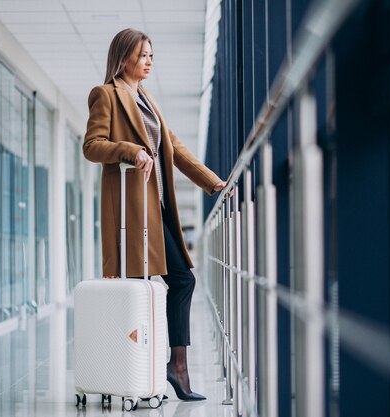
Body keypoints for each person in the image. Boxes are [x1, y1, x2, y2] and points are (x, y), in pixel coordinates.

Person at [83, 28, 227, 401]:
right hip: (130, 213)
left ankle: (169, 368)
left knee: (177, 282)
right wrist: (130, 150)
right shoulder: (107, 95)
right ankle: (147, 370)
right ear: (124, 57)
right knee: (158, 287)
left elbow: (174, 147)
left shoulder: (145, 98)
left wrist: (211, 182)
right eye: (143, 54)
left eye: (151, 55)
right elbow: (92, 146)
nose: (149, 60)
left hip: (156, 208)